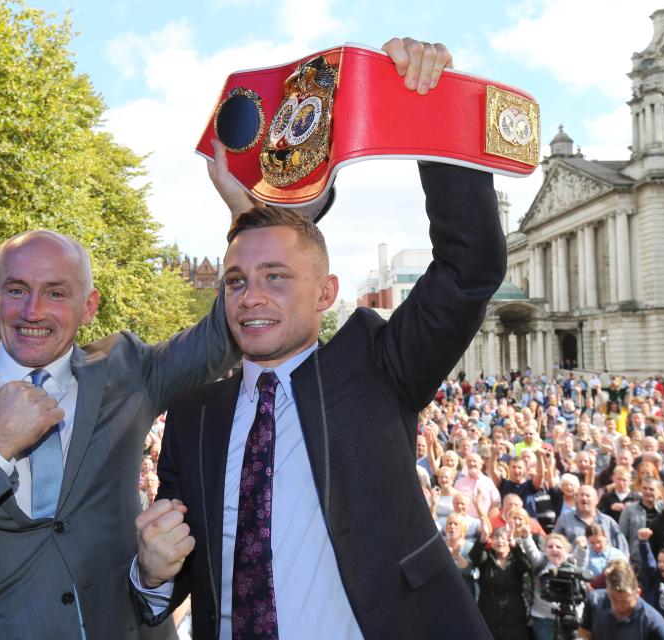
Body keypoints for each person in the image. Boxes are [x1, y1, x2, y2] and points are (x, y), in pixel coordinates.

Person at [132, 38, 499, 639]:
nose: (251, 295)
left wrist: (433, 111)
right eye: (236, 281)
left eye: (276, 278)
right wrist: (150, 572)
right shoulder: (194, 416)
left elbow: (471, 266)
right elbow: (166, 583)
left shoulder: (378, 369)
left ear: (326, 293)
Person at [0, 226, 239, 637]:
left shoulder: (129, 370)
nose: (32, 311)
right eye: (16, 289)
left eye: (55, 293)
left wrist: (248, 215)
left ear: (89, 306)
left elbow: (228, 328)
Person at [579, 563, 664, 640]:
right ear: (607, 590)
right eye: (613, 599)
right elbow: (585, 632)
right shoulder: (594, 600)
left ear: (637, 593)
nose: (617, 606)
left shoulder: (653, 623)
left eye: (625, 602)